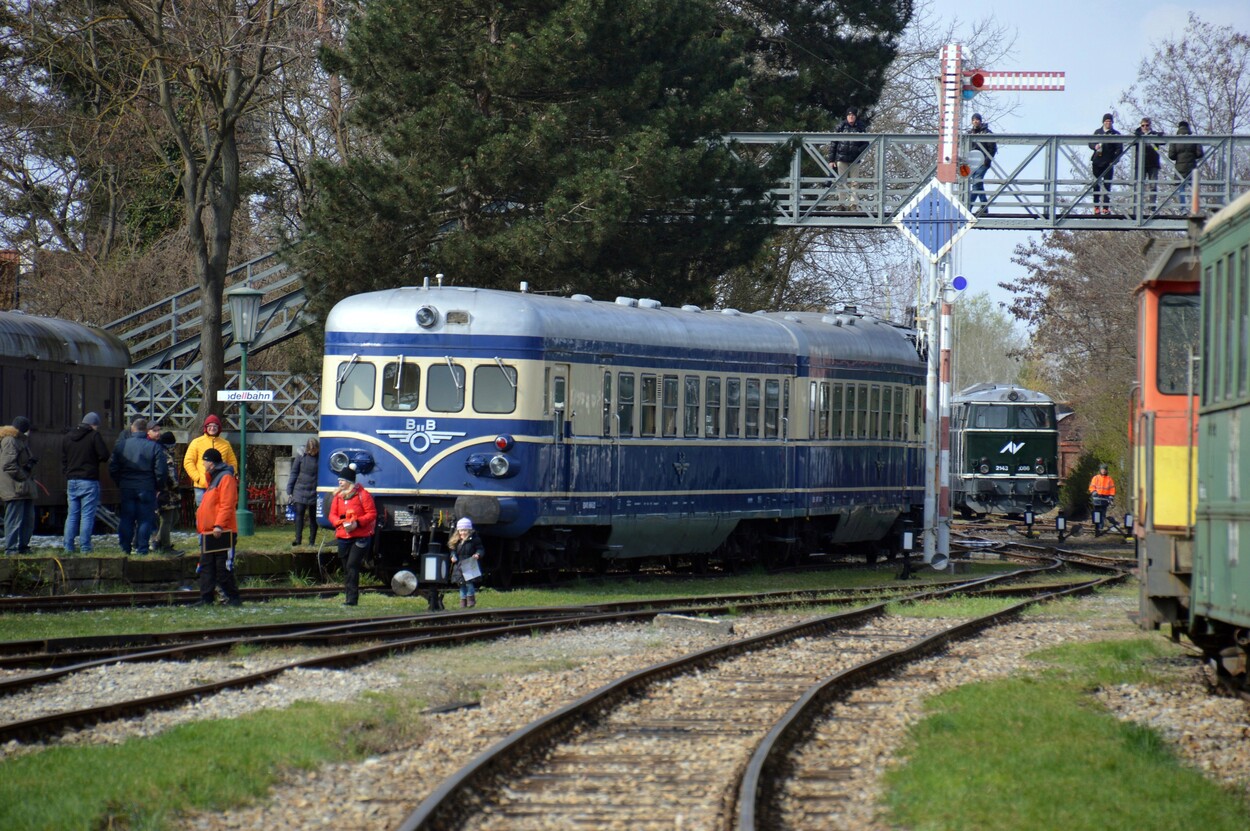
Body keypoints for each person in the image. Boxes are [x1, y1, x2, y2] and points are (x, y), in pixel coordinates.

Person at [108, 416, 167, 556]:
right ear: (146, 430)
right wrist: (158, 486)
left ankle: (125, 548)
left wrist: (120, 482)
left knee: (127, 518)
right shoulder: (154, 447)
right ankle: (142, 548)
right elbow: (161, 471)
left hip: (127, 486)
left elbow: (113, 467)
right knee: (145, 519)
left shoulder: (121, 445)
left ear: (133, 428)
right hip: (147, 486)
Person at [195, 448, 242, 606]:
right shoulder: (213, 478)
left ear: (212, 463)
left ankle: (233, 598)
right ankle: (206, 598)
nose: (203, 463)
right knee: (207, 567)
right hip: (209, 532)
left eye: (205, 461)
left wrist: (219, 525)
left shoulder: (225, 478)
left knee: (223, 568)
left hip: (222, 531)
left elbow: (227, 504)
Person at [61, 412, 110, 553]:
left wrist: (68, 472)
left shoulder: (68, 437)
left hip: (72, 481)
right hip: (89, 480)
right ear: (93, 425)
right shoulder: (94, 436)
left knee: (72, 515)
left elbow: (63, 459)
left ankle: (68, 547)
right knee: (87, 515)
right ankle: (85, 547)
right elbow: (105, 455)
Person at [327, 466, 376, 606]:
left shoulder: (363, 495)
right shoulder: (338, 496)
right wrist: (338, 523)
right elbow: (332, 514)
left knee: (352, 565)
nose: (340, 483)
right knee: (346, 568)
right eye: (339, 480)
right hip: (343, 536)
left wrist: (358, 523)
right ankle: (348, 596)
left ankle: (352, 600)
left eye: (342, 480)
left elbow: (371, 514)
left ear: (349, 481)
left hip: (360, 536)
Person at [0, 416, 37, 555]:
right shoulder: (11, 440)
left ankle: (23, 547)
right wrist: (24, 474)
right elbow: (8, 465)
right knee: (14, 519)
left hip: (22, 487)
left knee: (28, 519)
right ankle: (11, 549)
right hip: (15, 487)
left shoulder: (18, 440)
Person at [183, 414, 238, 506]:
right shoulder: (196, 442)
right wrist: (198, 478)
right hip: (202, 487)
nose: (212, 428)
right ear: (206, 427)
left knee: (218, 514)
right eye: (210, 426)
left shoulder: (225, 444)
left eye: (215, 426)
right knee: (202, 515)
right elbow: (188, 462)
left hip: (220, 485)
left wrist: (228, 476)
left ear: (219, 428)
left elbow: (233, 463)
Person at [828, 107, 868, 209]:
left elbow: (866, 143)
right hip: (841, 158)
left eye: (853, 115)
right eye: (849, 115)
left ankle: (853, 204)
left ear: (855, 117)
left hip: (855, 159)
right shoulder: (840, 126)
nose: (851, 117)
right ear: (847, 116)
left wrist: (858, 151)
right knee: (841, 182)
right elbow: (834, 143)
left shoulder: (860, 127)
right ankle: (841, 204)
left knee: (854, 183)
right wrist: (831, 160)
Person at [287, 437, 320, 547]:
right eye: (310, 450)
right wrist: (289, 489)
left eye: (314, 450)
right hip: (300, 490)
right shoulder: (301, 456)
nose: (312, 452)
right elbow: (294, 472)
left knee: (313, 517)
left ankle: (312, 541)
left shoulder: (321, 457)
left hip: (314, 491)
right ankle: (298, 540)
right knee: (299, 515)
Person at [152, 431, 181, 554]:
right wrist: (176, 486)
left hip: (161, 491)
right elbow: (171, 476)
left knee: (174, 517)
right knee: (167, 520)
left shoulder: (156, 452)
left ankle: (157, 541)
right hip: (166, 493)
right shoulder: (166, 456)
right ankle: (165, 546)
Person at [1089, 113, 1122, 216]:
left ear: (1112, 122)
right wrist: (1095, 146)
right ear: (1103, 122)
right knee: (1096, 185)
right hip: (1097, 162)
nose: (1108, 123)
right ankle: (1096, 207)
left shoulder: (1115, 134)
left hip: (1108, 163)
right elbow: (1090, 143)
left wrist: (1114, 160)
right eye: (1106, 121)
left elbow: (1119, 149)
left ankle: (1106, 208)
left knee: (1107, 185)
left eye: (1110, 121)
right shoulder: (1097, 132)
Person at [449, 516, 485, 608]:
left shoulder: (474, 539)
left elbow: (480, 549)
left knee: (469, 583)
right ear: (458, 531)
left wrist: (477, 554)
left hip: (469, 562)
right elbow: (453, 550)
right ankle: (462, 602)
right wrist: (453, 556)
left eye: (465, 530)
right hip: (459, 564)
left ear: (469, 530)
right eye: (461, 530)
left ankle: (471, 601)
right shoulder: (456, 541)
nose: (463, 532)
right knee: (461, 584)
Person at [1168, 120, 1204, 211]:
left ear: (1179, 128)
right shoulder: (1194, 139)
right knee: (1193, 188)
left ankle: (1183, 209)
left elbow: (1171, 156)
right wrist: (1192, 155)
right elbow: (1200, 154)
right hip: (1192, 167)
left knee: (1181, 189)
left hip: (1180, 168)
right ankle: (1195, 208)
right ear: (1188, 127)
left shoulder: (1175, 140)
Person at [968, 113, 997, 213]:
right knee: (978, 184)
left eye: (977, 119)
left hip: (983, 162)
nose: (975, 121)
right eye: (973, 120)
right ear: (972, 121)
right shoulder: (970, 133)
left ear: (980, 121)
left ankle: (968, 207)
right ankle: (984, 207)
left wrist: (987, 161)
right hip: (972, 164)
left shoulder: (987, 133)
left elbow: (992, 148)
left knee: (977, 182)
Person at [1133, 117, 1164, 211]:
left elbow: (1164, 142)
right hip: (1140, 164)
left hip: (1153, 163)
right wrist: (1137, 135)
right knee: (1139, 186)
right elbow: (1130, 143)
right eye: (1143, 125)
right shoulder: (1137, 135)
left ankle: (1152, 206)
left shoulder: (1155, 135)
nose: (1145, 127)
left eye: (1147, 125)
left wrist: (1160, 135)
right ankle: (1138, 207)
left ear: (1150, 125)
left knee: (1153, 186)